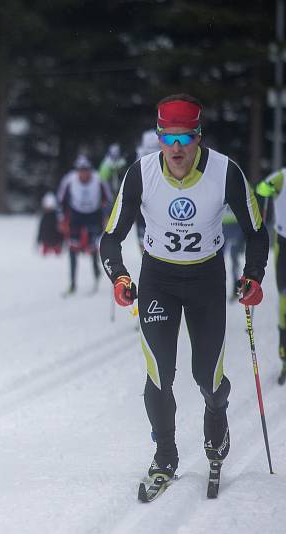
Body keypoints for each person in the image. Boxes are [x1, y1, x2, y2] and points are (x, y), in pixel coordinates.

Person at [100, 94, 268, 485]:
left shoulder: (226, 172)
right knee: (159, 373)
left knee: (207, 377)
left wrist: (254, 277)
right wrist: (121, 277)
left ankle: (216, 416)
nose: (176, 149)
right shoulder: (141, 174)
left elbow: (256, 233)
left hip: (207, 280)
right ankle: (165, 454)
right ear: (158, 137)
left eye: (185, 139)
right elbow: (110, 238)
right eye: (168, 138)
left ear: (198, 137)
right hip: (159, 279)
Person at [57, 154, 112, 294]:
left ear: (90, 170)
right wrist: (61, 219)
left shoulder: (98, 179)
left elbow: (109, 200)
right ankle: (73, 283)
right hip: (77, 214)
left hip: (94, 214)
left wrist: (107, 217)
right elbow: (60, 201)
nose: (84, 173)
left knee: (93, 245)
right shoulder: (69, 180)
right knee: (73, 247)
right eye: (81, 170)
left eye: (86, 170)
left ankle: (96, 272)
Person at [255, 168, 286, 383]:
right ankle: (285, 360)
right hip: (284, 244)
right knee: (284, 303)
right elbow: (262, 189)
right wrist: (268, 188)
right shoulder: (283, 176)